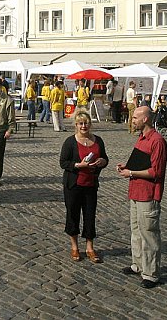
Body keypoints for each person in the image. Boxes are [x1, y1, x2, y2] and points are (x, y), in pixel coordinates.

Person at [117, 106, 167, 289]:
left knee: (149, 235)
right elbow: (140, 162)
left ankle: (151, 273)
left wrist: (131, 172)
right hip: (135, 192)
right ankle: (138, 264)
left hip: (148, 194)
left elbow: (156, 171)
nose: (133, 119)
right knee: (136, 231)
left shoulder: (157, 141)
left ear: (146, 119)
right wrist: (127, 167)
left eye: (136, 117)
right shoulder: (141, 138)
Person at [60, 110, 109, 263]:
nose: (84, 126)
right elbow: (63, 163)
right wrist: (77, 165)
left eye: (86, 123)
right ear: (76, 125)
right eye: (80, 123)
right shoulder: (70, 142)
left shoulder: (98, 140)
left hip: (90, 184)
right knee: (73, 214)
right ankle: (74, 246)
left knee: (89, 216)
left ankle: (90, 247)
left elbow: (105, 158)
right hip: (74, 184)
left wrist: (103, 162)